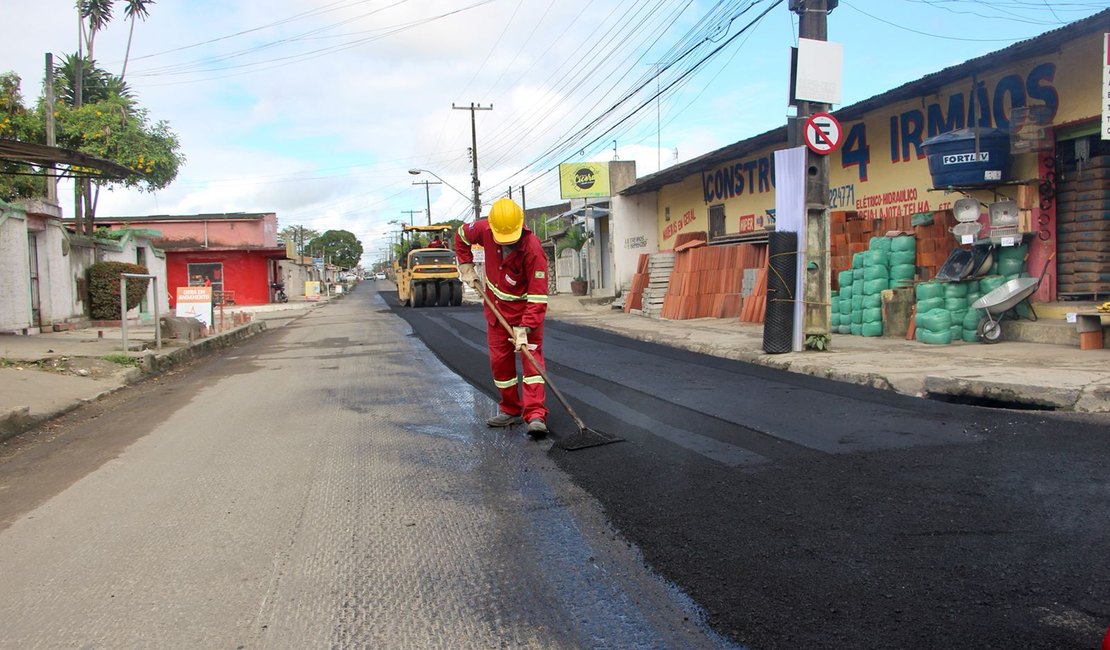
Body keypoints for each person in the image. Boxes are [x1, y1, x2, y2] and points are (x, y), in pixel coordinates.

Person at [455, 198, 549, 437]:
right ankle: (510, 409)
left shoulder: (533, 249)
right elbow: (461, 236)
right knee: (500, 366)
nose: (509, 242)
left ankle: (536, 414)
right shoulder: (483, 229)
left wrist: (525, 328)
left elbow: (538, 297)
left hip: (526, 315)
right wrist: (466, 266)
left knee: (533, 366)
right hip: (496, 314)